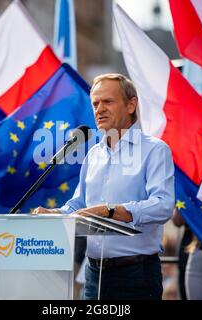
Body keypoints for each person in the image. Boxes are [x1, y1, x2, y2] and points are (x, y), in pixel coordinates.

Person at [35, 73, 175, 300]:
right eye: (95, 103)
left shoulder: (155, 150)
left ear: (131, 105)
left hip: (136, 275)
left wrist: (109, 211)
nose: (99, 109)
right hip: (93, 274)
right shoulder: (93, 154)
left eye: (107, 102)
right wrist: (54, 214)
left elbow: (163, 206)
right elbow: (79, 205)